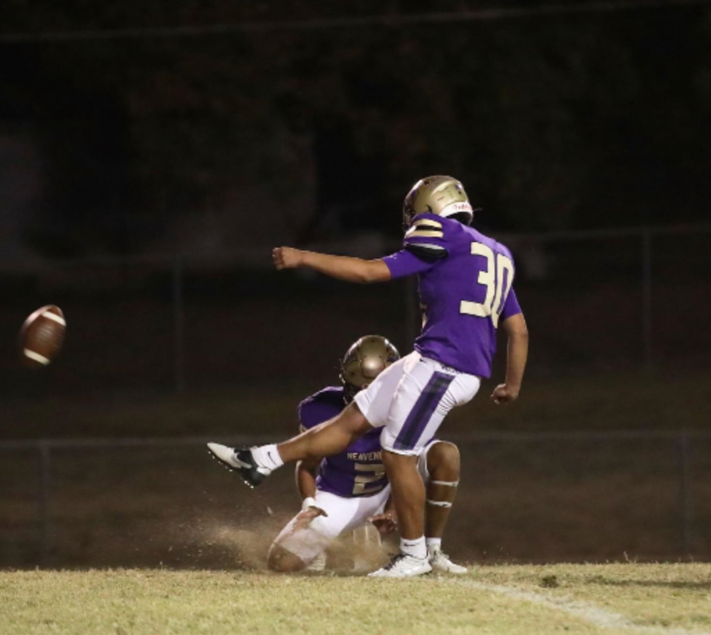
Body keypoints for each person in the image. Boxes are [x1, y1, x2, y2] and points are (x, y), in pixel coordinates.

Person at [208, 175, 528, 577]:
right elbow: (517, 329)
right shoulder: (496, 252)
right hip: (433, 358)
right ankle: (260, 459)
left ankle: (414, 557)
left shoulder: (441, 231)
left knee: (397, 453)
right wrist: (511, 384)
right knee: (355, 417)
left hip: (447, 364)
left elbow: (368, 272)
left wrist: (304, 257)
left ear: (428, 209)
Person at [246, 335, 467, 574]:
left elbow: (408, 460)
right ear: (344, 381)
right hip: (339, 496)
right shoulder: (318, 408)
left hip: (386, 487)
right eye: (356, 389)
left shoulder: (408, 402)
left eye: (374, 389)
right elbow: (307, 464)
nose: (364, 396)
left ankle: (432, 550)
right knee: (281, 562)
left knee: (445, 454)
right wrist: (309, 503)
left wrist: (393, 508)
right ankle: (334, 540)